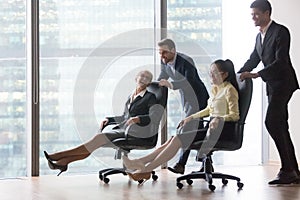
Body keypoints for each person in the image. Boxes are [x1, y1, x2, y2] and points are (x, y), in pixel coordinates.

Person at [123, 59, 239, 181]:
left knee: (178, 139)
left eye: (215, 72)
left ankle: (147, 170)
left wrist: (219, 119)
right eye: (210, 72)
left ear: (225, 74)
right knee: (173, 139)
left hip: (222, 131)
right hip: (210, 129)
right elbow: (209, 110)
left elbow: (235, 115)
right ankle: (139, 162)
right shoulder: (216, 89)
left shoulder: (229, 90)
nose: (211, 75)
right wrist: (190, 117)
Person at [43, 70, 159, 176]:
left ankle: (59, 156)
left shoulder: (150, 97)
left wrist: (138, 118)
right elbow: (124, 117)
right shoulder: (131, 96)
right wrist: (109, 119)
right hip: (124, 129)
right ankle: (64, 161)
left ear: (149, 83)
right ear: (136, 78)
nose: (144, 78)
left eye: (147, 77)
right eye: (142, 75)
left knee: (99, 138)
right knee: (93, 144)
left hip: (137, 132)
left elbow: (155, 116)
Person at [238, 0, 300, 185]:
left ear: (267, 13)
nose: (254, 18)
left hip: (284, 83)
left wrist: (257, 74)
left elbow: (281, 61)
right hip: (272, 85)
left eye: (256, 14)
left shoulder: (281, 31)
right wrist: (236, 74)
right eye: (252, 15)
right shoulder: (259, 36)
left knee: (272, 121)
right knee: (280, 125)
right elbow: (254, 58)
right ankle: (293, 170)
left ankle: (287, 169)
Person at [157, 38, 210, 174]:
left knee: (187, 130)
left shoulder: (186, 60)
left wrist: (172, 85)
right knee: (196, 133)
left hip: (198, 98)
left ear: (173, 51)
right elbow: (163, 77)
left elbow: (189, 80)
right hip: (186, 100)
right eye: (160, 53)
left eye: (164, 53)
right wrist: (153, 86)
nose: (162, 56)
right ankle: (207, 164)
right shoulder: (165, 62)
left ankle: (181, 164)